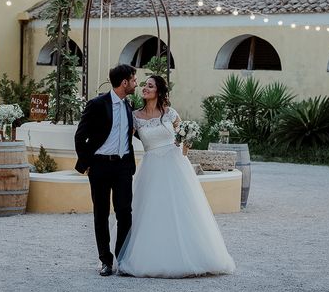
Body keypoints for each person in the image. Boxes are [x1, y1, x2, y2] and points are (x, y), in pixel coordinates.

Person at [117, 75, 235, 278]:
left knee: (180, 209)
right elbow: (123, 138)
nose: (145, 88)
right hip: (152, 166)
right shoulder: (135, 115)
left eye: (150, 86)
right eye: (144, 85)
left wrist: (186, 142)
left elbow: (184, 142)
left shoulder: (170, 114)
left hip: (174, 165)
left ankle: (190, 256)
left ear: (159, 91)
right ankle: (150, 256)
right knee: (151, 210)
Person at [74, 64, 138, 276]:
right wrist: (88, 163)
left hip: (123, 167)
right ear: (124, 82)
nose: (136, 83)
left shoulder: (129, 106)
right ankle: (106, 261)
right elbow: (79, 136)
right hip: (100, 166)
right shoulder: (97, 104)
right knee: (101, 214)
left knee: (124, 213)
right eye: (134, 80)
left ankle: (121, 258)